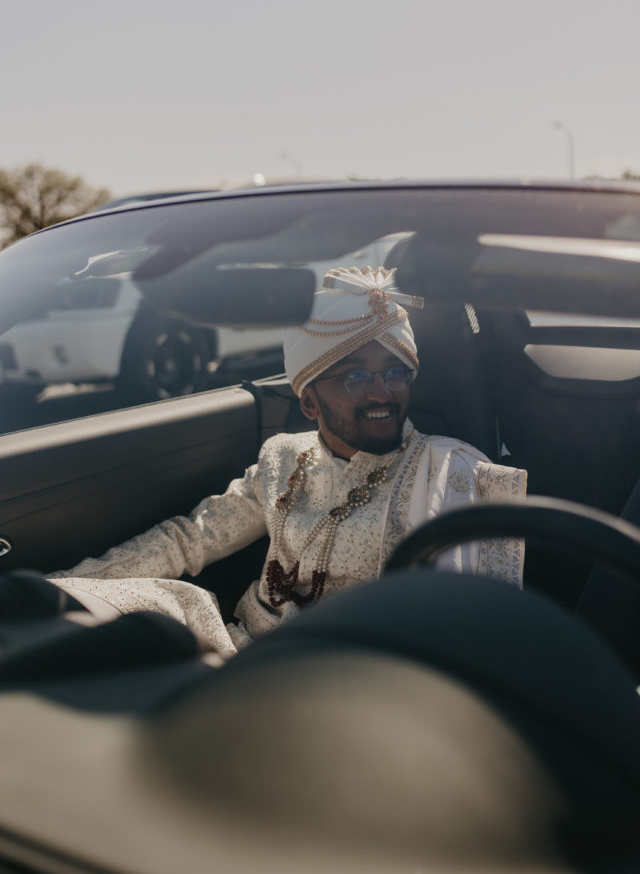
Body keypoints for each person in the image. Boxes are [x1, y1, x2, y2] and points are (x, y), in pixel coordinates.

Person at [47, 266, 527, 658]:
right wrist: (69, 584)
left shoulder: (451, 473)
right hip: (235, 652)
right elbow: (190, 540)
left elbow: (474, 636)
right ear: (310, 402)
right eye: (356, 376)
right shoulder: (282, 458)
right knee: (88, 609)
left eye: (395, 373)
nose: (383, 392)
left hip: (341, 680)